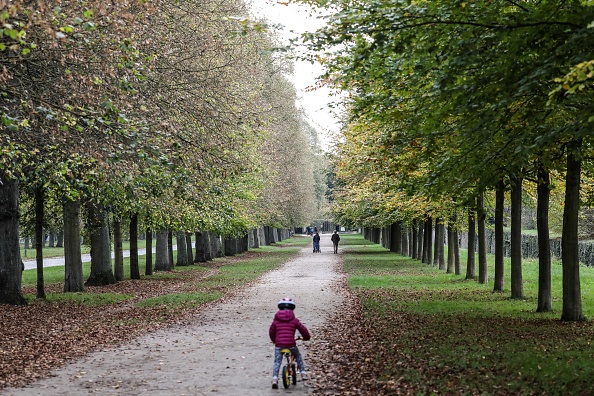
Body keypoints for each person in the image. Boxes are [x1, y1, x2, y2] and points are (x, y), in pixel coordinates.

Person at [269, 297, 311, 389]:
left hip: (279, 345)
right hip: (291, 344)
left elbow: (271, 331)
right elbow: (303, 330)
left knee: (277, 361)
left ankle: (275, 379)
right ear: (292, 308)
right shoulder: (294, 320)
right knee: (298, 356)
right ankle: (303, 373)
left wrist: (273, 340)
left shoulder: (276, 320)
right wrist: (306, 337)